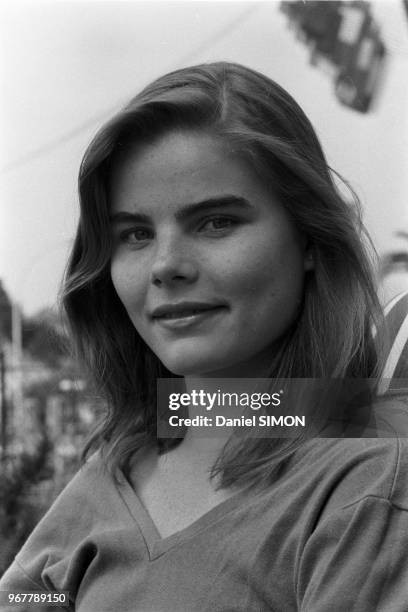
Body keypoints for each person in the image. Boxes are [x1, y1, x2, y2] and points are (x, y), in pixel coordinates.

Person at [1, 62, 408, 611]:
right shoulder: (113, 471)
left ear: (309, 239)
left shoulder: (370, 479)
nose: (165, 266)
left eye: (216, 222)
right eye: (135, 234)